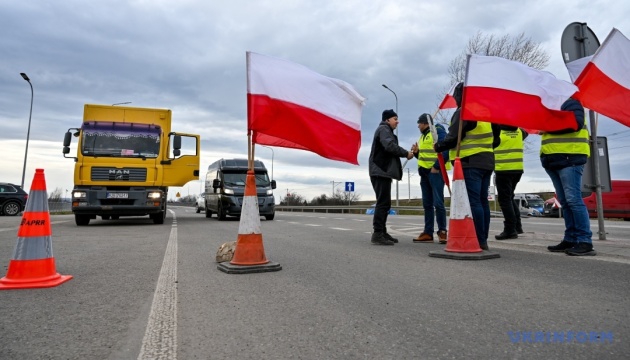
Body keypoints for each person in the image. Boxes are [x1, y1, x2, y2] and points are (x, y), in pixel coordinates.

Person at [434, 82, 500, 250]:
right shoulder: (488, 113)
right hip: (487, 161)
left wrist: (439, 146)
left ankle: (478, 239)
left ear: (459, 96)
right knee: (483, 201)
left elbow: (454, 137)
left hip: (470, 162)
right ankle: (483, 239)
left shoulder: (465, 112)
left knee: (474, 202)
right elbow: (496, 140)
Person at [542, 98, 596, 256]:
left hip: (569, 158)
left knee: (573, 200)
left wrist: (546, 125)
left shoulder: (571, 103)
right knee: (565, 201)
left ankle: (585, 241)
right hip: (554, 160)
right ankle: (571, 238)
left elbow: (576, 123)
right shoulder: (550, 106)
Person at [369, 109, 416, 245]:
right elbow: (389, 146)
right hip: (379, 171)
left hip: (382, 171)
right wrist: (406, 153)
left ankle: (382, 231)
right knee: (383, 203)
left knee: (385, 203)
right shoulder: (383, 129)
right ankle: (377, 233)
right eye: (395, 118)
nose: (398, 121)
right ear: (387, 120)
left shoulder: (386, 130)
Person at [412, 113, 450, 244]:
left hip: (435, 173)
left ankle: (442, 232)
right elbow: (424, 156)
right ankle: (428, 232)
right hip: (424, 174)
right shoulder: (423, 136)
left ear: (425, 123)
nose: (418, 126)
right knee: (427, 204)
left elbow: (446, 149)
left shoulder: (437, 131)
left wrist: (437, 167)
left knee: (438, 203)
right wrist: (417, 153)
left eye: (419, 123)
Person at [493, 125, 528, 239]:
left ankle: (510, 229)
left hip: (503, 168)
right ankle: (517, 226)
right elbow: (525, 132)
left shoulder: (497, 131)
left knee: (505, 200)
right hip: (517, 169)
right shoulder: (519, 131)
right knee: (509, 197)